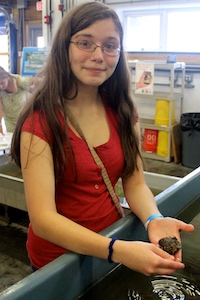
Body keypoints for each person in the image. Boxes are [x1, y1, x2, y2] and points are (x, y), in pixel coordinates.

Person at [11, 2, 194, 275]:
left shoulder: (121, 111)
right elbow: (43, 219)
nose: (99, 55)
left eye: (110, 46)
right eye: (85, 43)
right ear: (65, 47)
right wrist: (117, 249)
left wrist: (154, 219)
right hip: (60, 262)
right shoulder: (41, 121)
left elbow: (134, 182)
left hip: (112, 241)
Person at [0, 66, 34, 134]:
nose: (0, 86)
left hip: (24, 119)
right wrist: (0, 124)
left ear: (7, 77)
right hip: (10, 121)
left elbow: (37, 80)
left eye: (2, 82)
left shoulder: (19, 81)